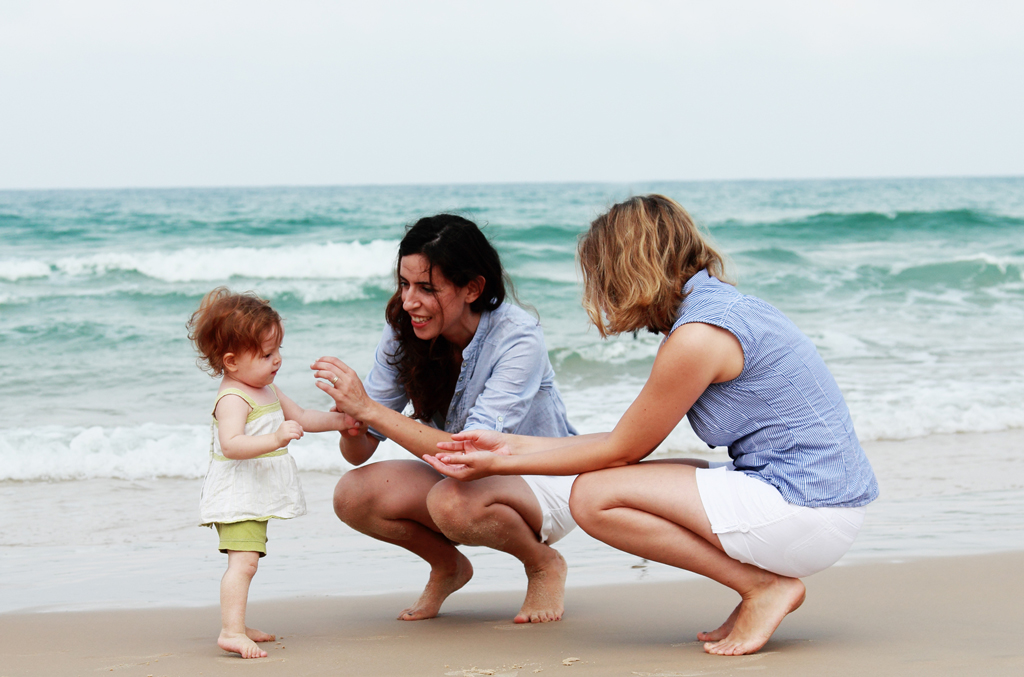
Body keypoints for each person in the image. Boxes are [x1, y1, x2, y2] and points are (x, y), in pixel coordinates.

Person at [425, 195, 879, 655]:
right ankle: (759, 588)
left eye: (601, 273)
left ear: (627, 267)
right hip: (817, 501)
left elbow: (622, 450)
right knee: (633, 476)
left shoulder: (698, 336)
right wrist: (505, 444)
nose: (599, 288)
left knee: (595, 497)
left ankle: (762, 587)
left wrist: (496, 464)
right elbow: (624, 444)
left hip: (805, 510)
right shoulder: (724, 308)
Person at [311, 214, 577, 624]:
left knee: (451, 501)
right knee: (353, 495)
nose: (409, 301)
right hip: (462, 476)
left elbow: (471, 453)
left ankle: (543, 563)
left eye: (426, 288)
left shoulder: (519, 337)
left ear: (472, 288)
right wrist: (352, 420)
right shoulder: (406, 327)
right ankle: (448, 566)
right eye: (404, 284)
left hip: (545, 481)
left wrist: (369, 408)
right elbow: (358, 453)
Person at [188, 288, 356, 659]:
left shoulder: (266, 387)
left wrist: (343, 420)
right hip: (236, 494)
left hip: (254, 492)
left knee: (249, 560)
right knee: (244, 561)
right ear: (231, 362)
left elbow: (305, 418)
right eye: (266, 354)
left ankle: (238, 622)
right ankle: (231, 631)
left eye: (278, 350)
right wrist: (277, 437)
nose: (277, 360)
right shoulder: (233, 398)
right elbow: (231, 444)